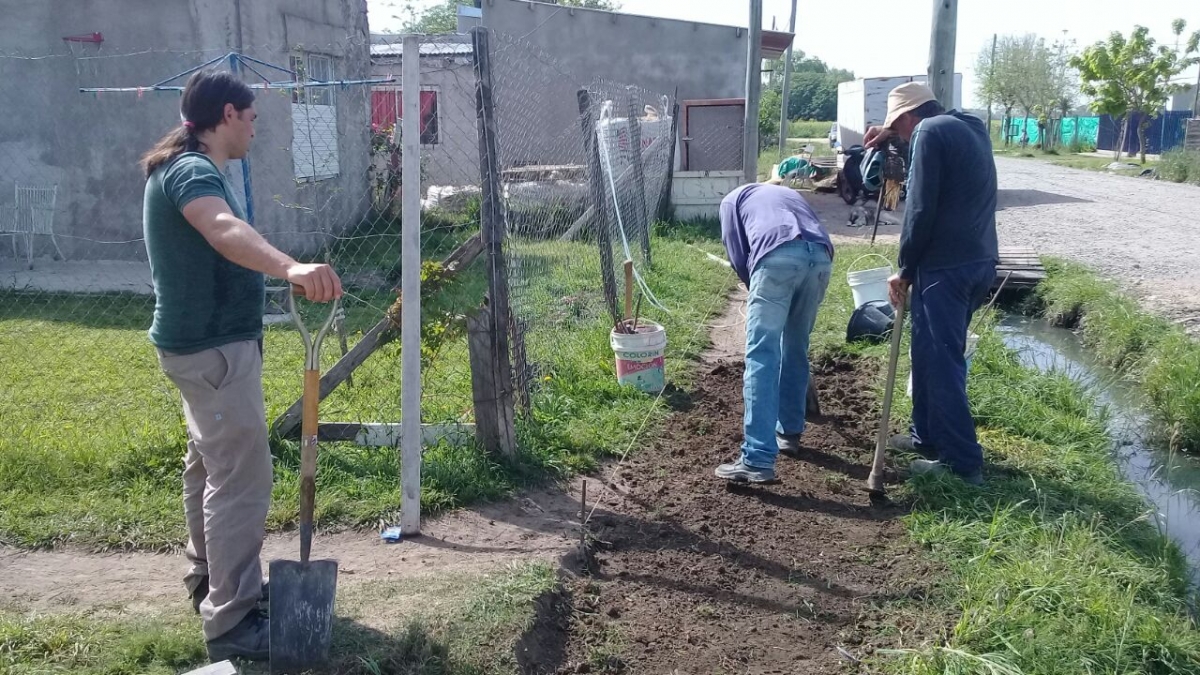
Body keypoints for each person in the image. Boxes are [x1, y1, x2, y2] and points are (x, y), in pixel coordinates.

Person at [140, 69, 342, 661]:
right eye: (251, 119)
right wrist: (291, 269)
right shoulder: (191, 170)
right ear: (227, 115)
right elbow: (222, 229)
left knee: (208, 466)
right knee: (241, 480)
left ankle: (210, 582)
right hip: (212, 351)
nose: (255, 130)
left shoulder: (185, 166)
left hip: (200, 348)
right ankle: (231, 621)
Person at [864, 82, 998, 486]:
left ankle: (962, 463)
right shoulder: (967, 126)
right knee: (926, 348)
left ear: (907, 117)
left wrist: (905, 268)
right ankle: (926, 436)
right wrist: (889, 135)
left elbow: (920, 206)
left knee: (942, 362)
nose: (900, 136)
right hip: (978, 260)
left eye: (897, 127)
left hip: (947, 266)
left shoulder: (927, 132)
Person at [714, 181, 834, 483]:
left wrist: (757, 288)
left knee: (762, 356)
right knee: (796, 347)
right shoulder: (788, 194)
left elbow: (738, 256)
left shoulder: (731, 201)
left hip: (777, 257)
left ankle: (756, 457)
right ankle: (789, 432)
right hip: (820, 258)